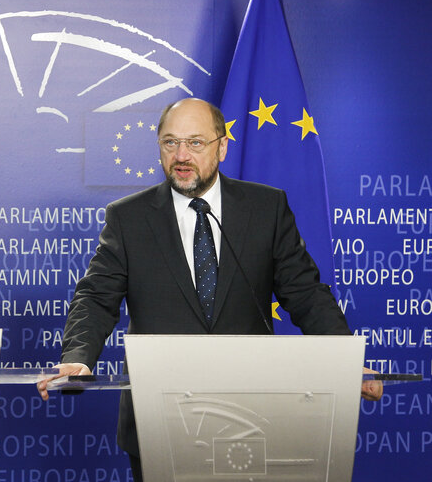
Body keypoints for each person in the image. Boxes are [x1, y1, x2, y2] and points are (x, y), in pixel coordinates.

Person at [37, 98, 381, 481]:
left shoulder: (266, 208)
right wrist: (79, 356)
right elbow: (96, 298)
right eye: (170, 143)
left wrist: (343, 359)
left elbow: (305, 293)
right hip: (160, 419)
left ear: (222, 147)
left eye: (195, 143)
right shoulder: (127, 217)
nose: (181, 155)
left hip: (250, 413)